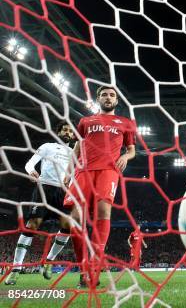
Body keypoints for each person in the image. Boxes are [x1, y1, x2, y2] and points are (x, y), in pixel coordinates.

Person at [64, 86, 137, 287]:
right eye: (104, 94)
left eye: (112, 94)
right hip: (83, 172)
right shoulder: (85, 121)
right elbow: (77, 147)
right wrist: (68, 172)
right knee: (76, 219)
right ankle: (84, 268)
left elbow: (132, 151)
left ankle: (94, 267)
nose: (108, 97)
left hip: (108, 170)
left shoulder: (126, 123)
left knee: (103, 212)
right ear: (98, 99)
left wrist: (125, 156)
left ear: (116, 100)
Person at [5, 122, 75, 285]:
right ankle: (16, 269)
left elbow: (76, 174)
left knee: (68, 227)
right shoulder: (48, 146)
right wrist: (31, 171)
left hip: (63, 192)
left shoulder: (74, 153)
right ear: (58, 132)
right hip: (44, 189)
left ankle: (48, 262)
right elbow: (29, 163)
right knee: (32, 225)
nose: (68, 132)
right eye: (65, 129)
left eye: (70, 131)